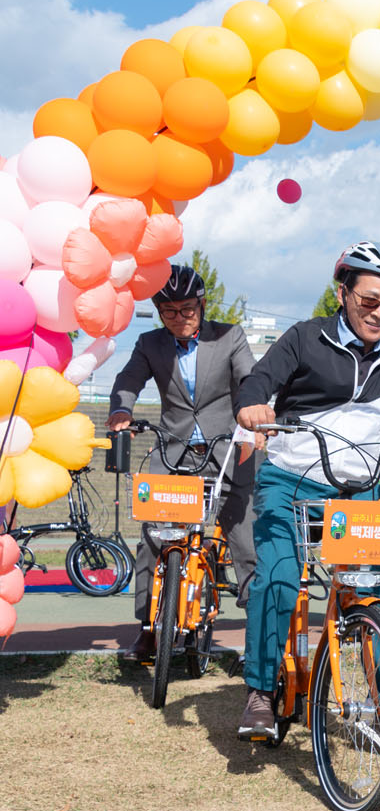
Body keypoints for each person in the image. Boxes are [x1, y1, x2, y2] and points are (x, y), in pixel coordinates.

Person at [233, 240, 380, 756]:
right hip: (292, 480)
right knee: (278, 577)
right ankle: (260, 692)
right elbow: (258, 382)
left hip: (361, 488)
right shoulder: (305, 337)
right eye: (370, 301)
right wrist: (253, 406)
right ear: (343, 293)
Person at [108, 264, 258, 659]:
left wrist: (253, 412)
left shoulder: (229, 336)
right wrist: (121, 411)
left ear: (202, 305)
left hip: (228, 451)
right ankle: (148, 628)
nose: (179, 318)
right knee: (152, 539)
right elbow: (128, 380)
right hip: (173, 451)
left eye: (188, 309)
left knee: (246, 541)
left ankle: (260, 634)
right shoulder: (149, 343)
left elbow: (248, 379)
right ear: (159, 311)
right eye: (169, 311)